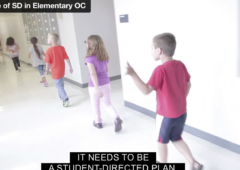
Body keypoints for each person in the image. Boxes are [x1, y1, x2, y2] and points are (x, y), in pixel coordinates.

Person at [125, 33, 203, 170]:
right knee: (176, 137)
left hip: (166, 116)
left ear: (159, 50)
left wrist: (132, 74)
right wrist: (181, 98)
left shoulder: (160, 70)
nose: (151, 51)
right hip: (181, 113)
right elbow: (188, 84)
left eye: (152, 48)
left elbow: (146, 90)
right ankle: (193, 162)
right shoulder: (180, 65)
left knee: (161, 141)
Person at [85, 35, 123, 132]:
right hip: (106, 83)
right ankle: (116, 118)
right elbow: (106, 70)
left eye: (87, 42)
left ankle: (98, 122)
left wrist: (97, 88)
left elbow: (93, 73)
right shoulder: (104, 56)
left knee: (95, 104)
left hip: (94, 86)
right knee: (107, 103)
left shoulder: (89, 59)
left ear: (90, 45)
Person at [44, 33, 73, 107]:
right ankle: (61, 95)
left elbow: (47, 62)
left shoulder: (49, 50)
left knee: (58, 85)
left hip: (55, 70)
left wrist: (46, 70)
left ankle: (65, 99)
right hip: (61, 69)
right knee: (61, 83)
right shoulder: (61, 48)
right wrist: (70, 67)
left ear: (52, 40)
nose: (47, 39)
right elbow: (67, 58)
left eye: (48, 37)